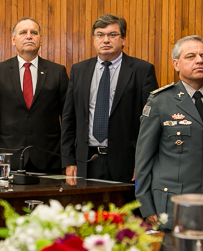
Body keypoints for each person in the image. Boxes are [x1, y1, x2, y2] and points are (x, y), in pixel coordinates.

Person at [134, 35, 203, 230]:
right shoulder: (160, 102)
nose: (199, 60)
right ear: (176, 64)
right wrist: (145, 206)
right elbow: (143, 161)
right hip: (173, 206)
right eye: (191, 56)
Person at [61, 14, 158, 188]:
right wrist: (69, 161)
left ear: (123, 39)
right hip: (86, 161)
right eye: (100, 35)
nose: (105, 40)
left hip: (127, 163)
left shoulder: (142, 70)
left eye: (112, 35)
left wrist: (142, 162)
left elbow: (151, 123)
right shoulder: (79, 70)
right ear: (94, 39)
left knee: (124, 214)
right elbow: (69, 118)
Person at [0, 18, 69, 173]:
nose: (29, 36)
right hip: (8, 159)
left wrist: (68, 158)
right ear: (14, 40)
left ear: (40, 39)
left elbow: (68, 117)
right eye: (23, 33)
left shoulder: (57, 72)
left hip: (49, 158)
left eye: (34, 33)